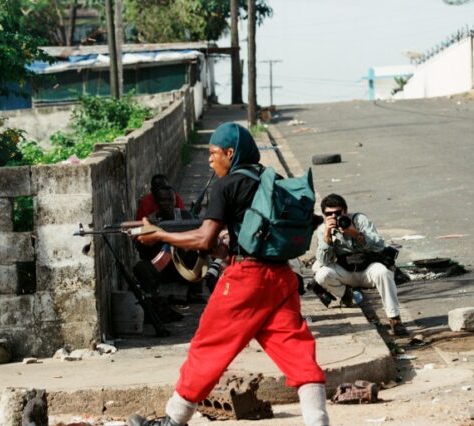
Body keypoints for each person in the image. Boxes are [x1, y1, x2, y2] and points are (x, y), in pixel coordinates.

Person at [128, 122, 329, 426]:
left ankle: (173, 420)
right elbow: (245, 239)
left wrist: (159, 234)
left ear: (230, 153)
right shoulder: (267, 179)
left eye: (213, 154)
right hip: (281, 278)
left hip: (247, 280)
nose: (210, 160)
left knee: (208, 346)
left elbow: (203, 239)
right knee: (296, 350)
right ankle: (319, 421)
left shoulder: (227, 185)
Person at [312, 193, 407, 337]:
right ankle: (346, 295)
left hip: (367, 269)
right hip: (345, 272)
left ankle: (395, 319)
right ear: (324, 214)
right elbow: (324, 261)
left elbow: (379, 246)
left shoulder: (359, 220)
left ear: (345, 211)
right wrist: (327, 238)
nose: (334, 217)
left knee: (383, 272)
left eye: (338, 213)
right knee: (321, 274)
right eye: (329, 214)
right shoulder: (323, 229)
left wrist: (356, 234)